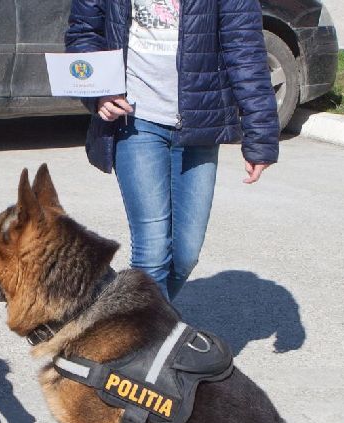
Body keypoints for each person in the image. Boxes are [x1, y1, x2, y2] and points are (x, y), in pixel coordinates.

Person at [66, 0, 280, 300]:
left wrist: (260, 136)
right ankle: (151, 340)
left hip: (200, 122)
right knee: (152, 253)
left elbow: (246, 52)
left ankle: (140, 322)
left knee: (186, 253)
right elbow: (84, 34)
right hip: (135, 120)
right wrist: (99, 92)